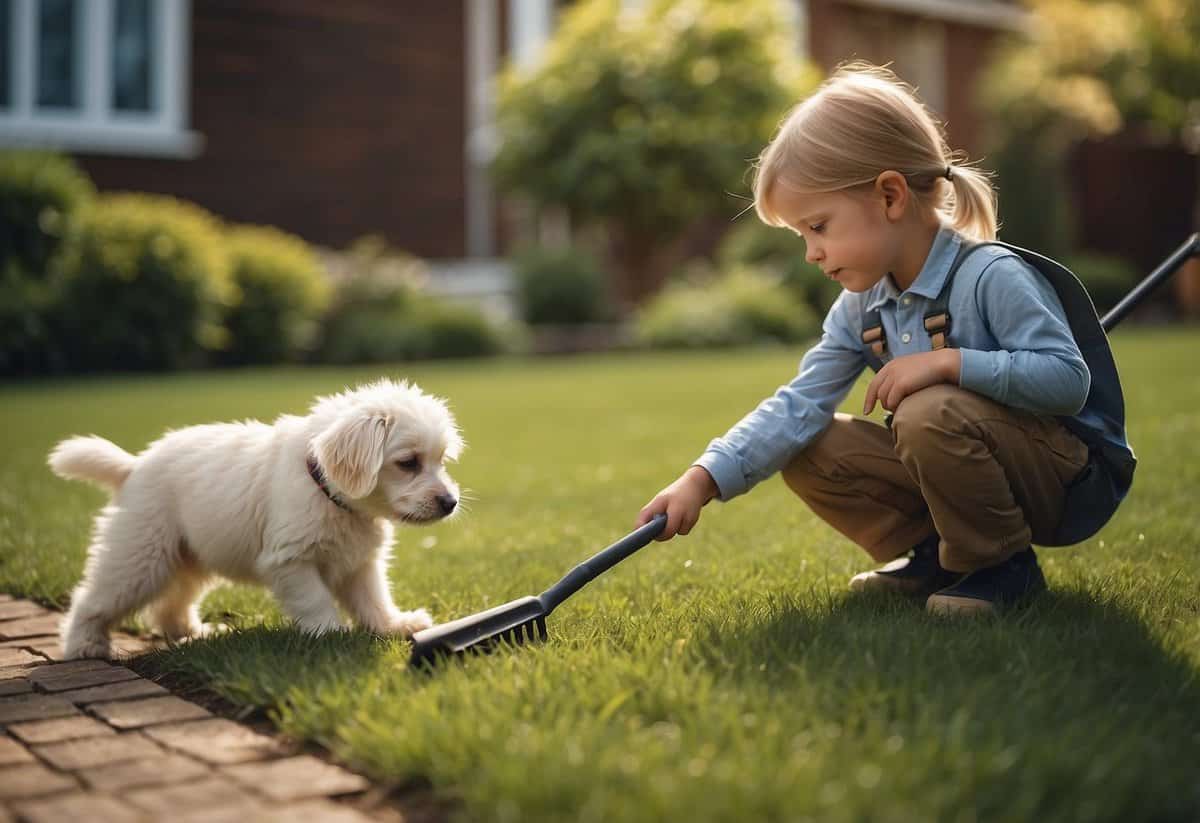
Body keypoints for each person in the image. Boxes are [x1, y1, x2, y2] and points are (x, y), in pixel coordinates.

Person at [635, 63, 1135, 615]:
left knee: (928, 409)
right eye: (802, 234)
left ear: (890, 196)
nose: (811, 252)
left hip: (1062, 479)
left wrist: (948, 364)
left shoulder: (991, 275)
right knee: (805, 442)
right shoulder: (859, 307)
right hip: (963, 458)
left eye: (819, 226)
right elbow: (797, 406)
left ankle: (1000, 568)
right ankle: (935, 557)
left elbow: (1068, 381)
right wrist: (702, 478)